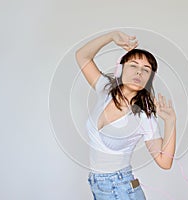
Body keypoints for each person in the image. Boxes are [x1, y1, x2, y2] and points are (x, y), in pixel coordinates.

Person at [75, 30, 176, 200]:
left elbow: (164, 162)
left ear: (149, 78)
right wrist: (111, 36)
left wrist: (170, 121)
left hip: (122, 189)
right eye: (133, 66)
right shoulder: (105, 89)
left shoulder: (144, 116)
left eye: (146, 70)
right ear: (120, 69)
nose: (139, 72)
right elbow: (82, 56)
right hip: (99, 187)